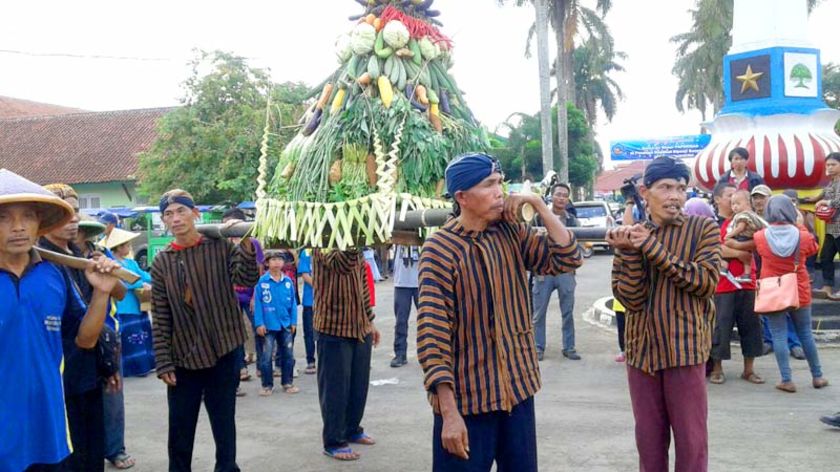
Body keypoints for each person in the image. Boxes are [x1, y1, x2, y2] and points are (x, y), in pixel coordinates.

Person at [417, 153, 582, 471]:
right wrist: (449, 413)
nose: (500, 192)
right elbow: (432, 336)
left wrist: (538, 204)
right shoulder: (440, 250)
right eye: (489, 185)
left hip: (517, 393)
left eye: (500, 184)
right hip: (469, 401)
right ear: (462, 197)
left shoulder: (511, 233)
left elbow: (567, 258)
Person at [0, 169, 119, 472]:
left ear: (39, 223)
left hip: (48, 429)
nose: (17, 227)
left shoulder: (54, 275)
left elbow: (85, 339)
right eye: (3, 218)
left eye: (27, 216)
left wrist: (102, 293)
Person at [608, 156, 720, 472]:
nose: (674, 196)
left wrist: (652, 249)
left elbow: (705, 282)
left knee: (692, 445)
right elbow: (630, 299)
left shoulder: (703, 228)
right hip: (641, 354)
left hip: (685, 352)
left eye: (681, 188)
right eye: (665, 187)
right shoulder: (632, 234)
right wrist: (629, 252)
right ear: (646, 191)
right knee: (649, 445)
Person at [151, 189, 259, 472]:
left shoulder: (220, 247)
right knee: (180, 430)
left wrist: (245, 245)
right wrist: (163, 361)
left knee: (224, 423)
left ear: (195, 213)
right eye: (168, 214)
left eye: (181, 211)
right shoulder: (162, 262)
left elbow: (247, 278)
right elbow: (160, 314)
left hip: (223, 348)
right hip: (183, 356)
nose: (175, 219)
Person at [40, 183, 125, 472]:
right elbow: (81, 335)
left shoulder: (83, 255)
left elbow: (121, 292)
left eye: (75, 211)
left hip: (90, 369)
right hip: (60, 373)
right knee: (70, 455)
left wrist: (108, 362)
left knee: (93, 451)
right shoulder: (39, 261)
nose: (73, 218)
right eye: (63, 212)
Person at [754, 196, 829, 393]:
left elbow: (759, 252)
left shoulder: (760, 236)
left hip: (773, 292)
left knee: (778, 335)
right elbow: (813, 249)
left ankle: (787, 380)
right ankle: (818, 376)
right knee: (806, 334)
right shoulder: (802, 236)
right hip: (799, 290)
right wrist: (801, 225)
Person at [313, 248, 381, 461]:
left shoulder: (357, 252)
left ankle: (352, 428)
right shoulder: (323, 243)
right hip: (333, 328)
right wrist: (354, 240)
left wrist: (370, 320)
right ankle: (333, 440)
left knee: (358, 386)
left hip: (359, 326)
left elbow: (363, 288)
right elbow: (341, 263)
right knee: (335, 389)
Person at [709, 182, 765, 386]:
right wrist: (740, 253)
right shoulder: (714, 223)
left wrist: (735, 248)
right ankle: (717, 368)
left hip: (747, 283)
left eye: (737, 199)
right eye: (730, 197)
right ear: (718, 199)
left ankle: (748, 370)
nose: (734, 202)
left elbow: (760, 241)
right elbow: (717, 250)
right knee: (720, 327)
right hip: (724, 284)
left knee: (751, 326)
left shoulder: (749, 222)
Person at [531, 182, 581, 361]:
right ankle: (538, 347)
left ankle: (569, 347)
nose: (561, 198)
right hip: (543, 272)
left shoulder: (573, 221)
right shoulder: (538, 218)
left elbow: (577, 246)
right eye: (558, 194)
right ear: (552, 196)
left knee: (567, 312)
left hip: (566, 273)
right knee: (538, 313)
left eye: (564, 195)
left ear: (568, 199)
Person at [221, 208, 264, 395]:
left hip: (250, 293)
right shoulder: (223, 244)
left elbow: (258, 270)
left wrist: (256, 296)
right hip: (231, 296)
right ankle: (240, 369)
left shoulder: (252, 243)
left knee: (259, 329)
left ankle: (263, 366)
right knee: (235, 334)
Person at [104, 228, 155, 378]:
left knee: (142, 335)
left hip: (136, 305)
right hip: (123, 306)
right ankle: (133, 368)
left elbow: (144, 276)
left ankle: (145, 365)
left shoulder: (131, 262)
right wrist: (139, 284)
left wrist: (144, 281)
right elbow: (122, 283)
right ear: (119, 247)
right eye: (126, 245)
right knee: (131, 337)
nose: (129, 248)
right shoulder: (112, 264)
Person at [253, 251, 299, 395]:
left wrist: (293, 322)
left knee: (288, 355)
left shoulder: (288, 282)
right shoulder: (262, 283)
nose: (277, 262)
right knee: (266, 357)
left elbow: (293, 303)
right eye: (273, 259)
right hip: (268, 325)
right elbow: (258, 305)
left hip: (285, 324)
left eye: (279, 259)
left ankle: (287, 382)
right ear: (267, 263)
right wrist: (259, 323)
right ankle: (267, 384)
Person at [804, 153, 840, 298]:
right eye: (828, 165)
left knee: (827, 256)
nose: (830, 168)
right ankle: (827, 287)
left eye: (833, 165)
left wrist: (825, 202)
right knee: (826, 257)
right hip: (832, 227)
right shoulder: (832, 182)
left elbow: (838, 201)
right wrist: (809, 199)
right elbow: (822, 194)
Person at [723, 189, 767, 282]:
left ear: (747, 204)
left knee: (727, 243)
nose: (734, 207)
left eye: (737, 204)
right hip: (748, 239)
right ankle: (746, 274)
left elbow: (740, 228)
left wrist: (729, 235)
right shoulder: (751, 215)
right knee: (747, 258)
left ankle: (724, 267)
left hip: (744, 237)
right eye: (733, 204)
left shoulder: (743, 215)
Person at [391, 245, 420, 368]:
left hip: (422, 279)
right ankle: (400, 353)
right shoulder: (397, 230)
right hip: (402, 282)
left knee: (429, 320)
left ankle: (434, 353)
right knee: (401, 321)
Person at [297, 248, 317, 374]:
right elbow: (305, 274)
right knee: (309, 332)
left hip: (325, 301)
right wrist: (320, 286)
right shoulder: (306, 252)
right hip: (310, 301)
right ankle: (311, 361)